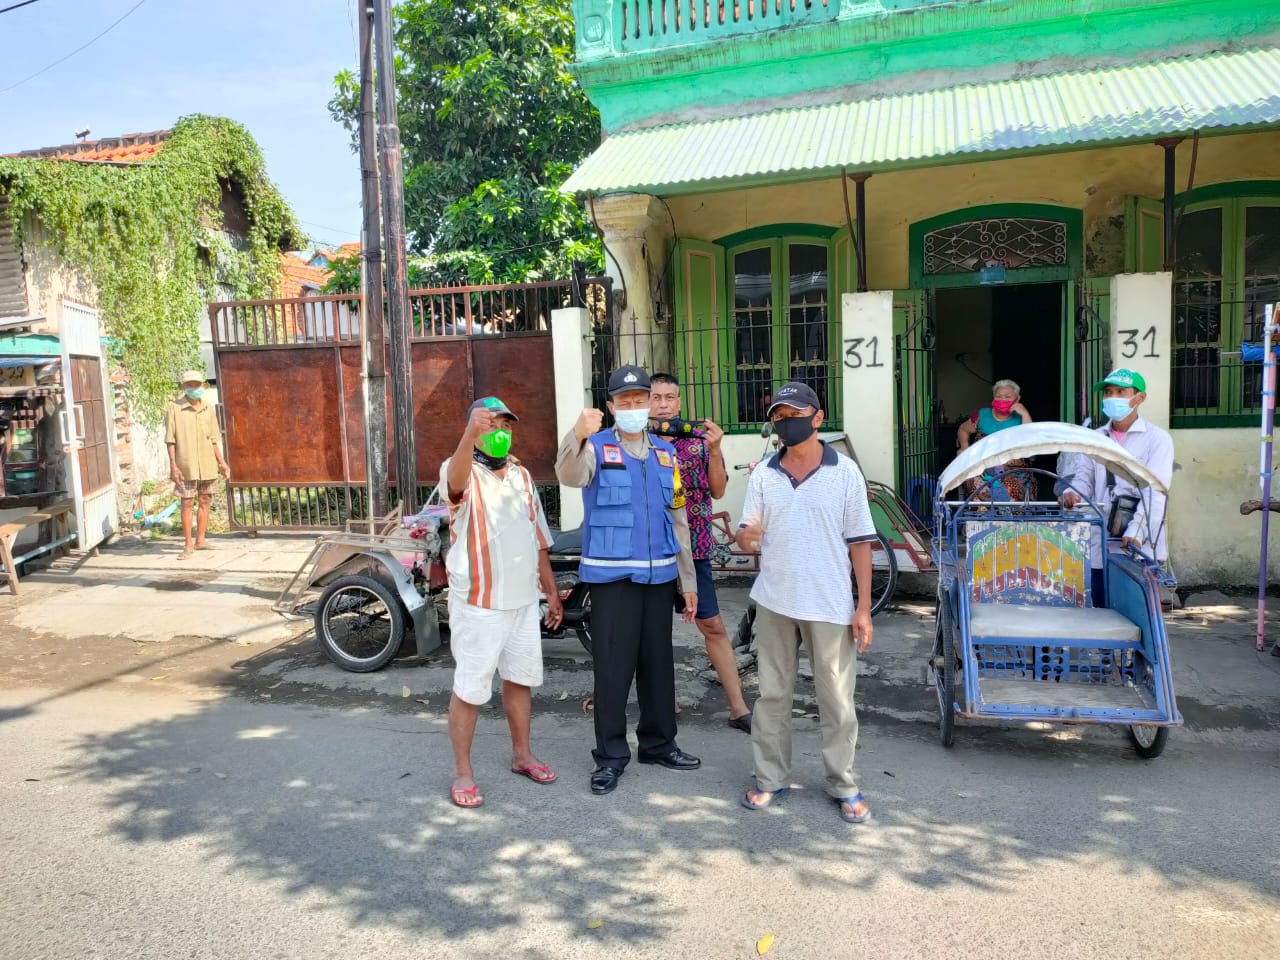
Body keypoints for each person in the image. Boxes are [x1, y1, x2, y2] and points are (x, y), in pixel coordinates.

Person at [555, 364, 700, 796]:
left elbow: (678, 519)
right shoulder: (595, 448)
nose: (635, 408)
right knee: (614, 671)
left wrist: (687, 581)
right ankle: (611, 756)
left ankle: (658, 743)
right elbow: (568, 475)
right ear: (611, 407)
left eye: (641, 401)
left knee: (658, 666)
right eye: (626, 402)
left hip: (659, 577)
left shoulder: (664, 453)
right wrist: (576, 433)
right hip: (612, 577)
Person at [735, 382, 877, 825]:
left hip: (831, 604)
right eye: (778, 415)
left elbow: (860, 543)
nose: (785, 422)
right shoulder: (763, 474)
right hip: (776, 602)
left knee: (836, 699)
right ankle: (770, 777)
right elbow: (747, 534)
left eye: (794, 413)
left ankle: (843, 782)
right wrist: (745, 537)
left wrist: (863, 607)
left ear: (817, 418)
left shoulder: (845, 472)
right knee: (772, 697)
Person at [439, 396, 564, 809]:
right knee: (471, 689)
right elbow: (454, 486)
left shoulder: (523, 477)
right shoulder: (462, 471)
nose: (501, 432)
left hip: (523, 602)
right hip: (479, 602)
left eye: (506, 426)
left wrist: (550, 592)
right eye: (491, 425)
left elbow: (538, 540)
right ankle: (462, 772)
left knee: (520, 680)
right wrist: (467, 435)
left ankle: (522, 754)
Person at [649, 373, 753, 733]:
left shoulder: (698, 441)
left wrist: (714, 449)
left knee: (713, 626)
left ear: (679, 403)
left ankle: (739, 709)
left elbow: (719, 490)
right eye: (656, 397)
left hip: (694, 550)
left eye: (669, 397)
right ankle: (663, 704)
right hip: (652, 552)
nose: (662, 403)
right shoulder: (637, 442)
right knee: (655, 632)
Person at [1061, 369, 1173, 604]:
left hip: (1137, 541)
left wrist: (1136, 532)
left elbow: (1155, 492)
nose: (1112, 398)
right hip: (1101, 537)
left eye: (1121, 392)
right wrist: (1071, 493)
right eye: (1108, 393)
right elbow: (1084, 478)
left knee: (1137, 611)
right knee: (1102, 608)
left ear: (1139, 398)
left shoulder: (1157, 439)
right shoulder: (1095, 438)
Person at [165, 370, 229, 558]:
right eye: (189, 385)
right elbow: (170, 440)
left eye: (196, 384)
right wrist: (173, 466)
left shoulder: (208, 408)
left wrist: (222, 463)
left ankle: (200, 540)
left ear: (203, 386)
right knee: (187, 502)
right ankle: (188, 544)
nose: (193, 387)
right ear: (184, 387)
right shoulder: (174, 408)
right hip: (186, 466)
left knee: (205, 500)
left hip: (207, 464)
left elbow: (213, 439)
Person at [956, 378, 1035, 501]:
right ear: (993, 398)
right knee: (974, 477)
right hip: (982, 465)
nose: (1002, 399)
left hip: (1013, 468)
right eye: (999, 396)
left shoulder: (1021, 418)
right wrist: (964, 447)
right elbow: (963, 429)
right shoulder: (982, 415)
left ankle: (1009, 515)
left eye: (1007, 397)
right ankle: (985, 514)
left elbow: (1031, 441)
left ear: (1017, 399)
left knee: (1010, 483)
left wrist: (1025, 413)